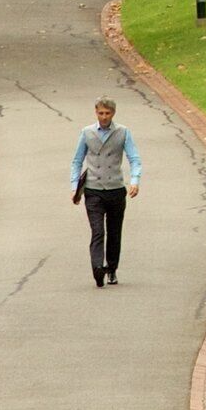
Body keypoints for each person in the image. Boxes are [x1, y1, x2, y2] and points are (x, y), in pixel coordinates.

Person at [72, 98, 143, 286]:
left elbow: (134, 158)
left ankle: (111, 268)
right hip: (93, 189)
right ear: (96, 112)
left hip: (116, 189)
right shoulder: (87, 133)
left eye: (107, 113)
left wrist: (134, 181)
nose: (104, 117)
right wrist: (74, 186)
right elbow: (77, 160)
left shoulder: (123, 132)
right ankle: (97, 268)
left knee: (114, 232)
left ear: (113, 113)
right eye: (101, 113)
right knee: (97, 231)